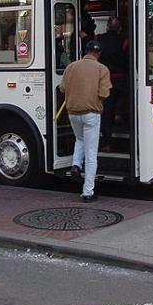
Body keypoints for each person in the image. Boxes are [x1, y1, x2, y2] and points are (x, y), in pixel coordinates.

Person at [59, 40, 112, 202]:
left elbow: (62, 88)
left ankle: (75, 164)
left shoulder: (71, 67)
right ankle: (88, 191)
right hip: (91, 113)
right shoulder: (102, 69)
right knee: (91, 154)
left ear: (85, 51)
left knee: (80, 139)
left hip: (73, 112)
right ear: (99, 54)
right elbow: (104, 94)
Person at [97, 16, 129, 152]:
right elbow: (128, 61)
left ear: (107, 27)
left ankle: (107, 142)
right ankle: (118, 113)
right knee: (122, 100)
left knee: (106, 112)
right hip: (121, 79)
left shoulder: (99, 39)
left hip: (105, 79)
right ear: (120, 28)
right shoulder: (125, 41)